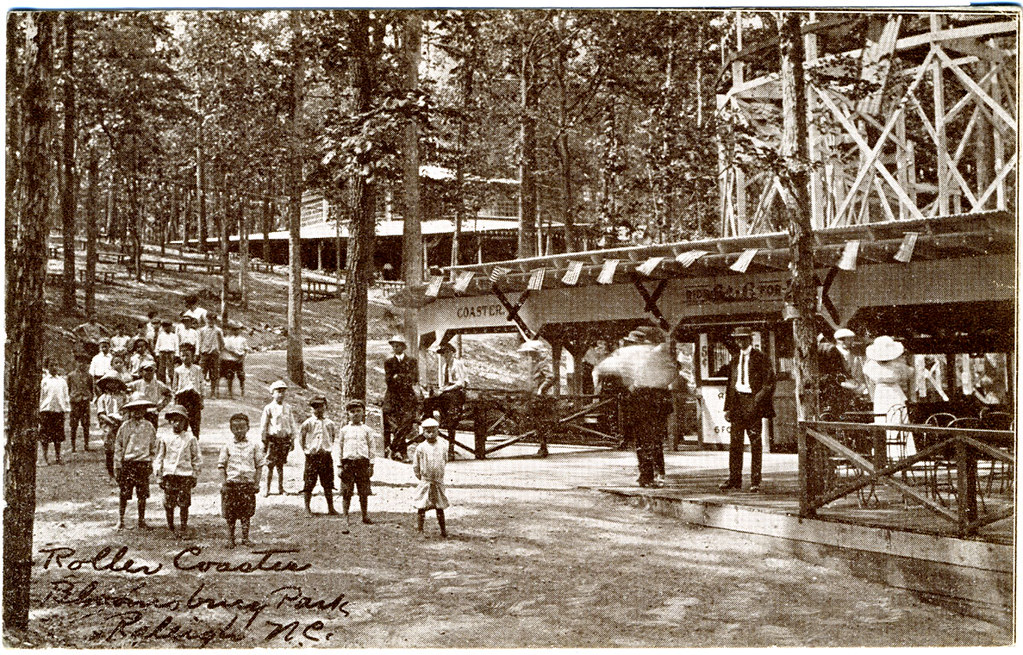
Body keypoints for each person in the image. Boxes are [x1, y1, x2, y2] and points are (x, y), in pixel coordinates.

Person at [720, 326, 776, 493]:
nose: (740, 341)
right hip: (737, 404)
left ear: (750, 339)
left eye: (743, 338)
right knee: (735, 443)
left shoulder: (761, 358)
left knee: (755, 443)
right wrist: (728, 407)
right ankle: (734, 479)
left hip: (752, 403)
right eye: (738, 339)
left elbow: (769, 383)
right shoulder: (735, 359)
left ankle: (755, 481)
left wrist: (756, 401)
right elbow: (730, 385)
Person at [863, 335, 915, 460]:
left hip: (881, 394)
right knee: (896, 419)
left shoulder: (871, 366)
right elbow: (910, 372)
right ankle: (901, 452)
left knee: (884, 420)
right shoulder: (898, 366)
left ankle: (886, 453)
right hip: (894, 393)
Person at [154, 404, 202, 537]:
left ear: (185, 422)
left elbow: (196, 458)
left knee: (184, 502)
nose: (177, 424)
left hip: (184, 474)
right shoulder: (164, 437)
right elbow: (159, 457)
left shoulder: (190, 439)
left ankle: (183, 526)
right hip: (169, 474)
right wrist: (159, 475)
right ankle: (170, 526)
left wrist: (195, 474)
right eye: (174, 420)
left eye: (180, 421)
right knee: (169, 502)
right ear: (170, 422)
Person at [218, 412, 265, 548]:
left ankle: (245, 538)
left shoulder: (254, 445)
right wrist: (224, 484)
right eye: (236, 427)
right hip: (232, 484)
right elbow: (221, 466)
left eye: (242, 427)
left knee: (246, 513)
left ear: (248, 428)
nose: (239, 430)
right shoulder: (227, 446)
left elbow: (259, 465)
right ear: (231, 429)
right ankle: (231, 538)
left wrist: (256, 483)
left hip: (247, 484)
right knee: (230, 514)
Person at [113, 397, 159, 530]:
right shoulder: (125, 426)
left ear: (144, 410)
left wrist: (151, 461)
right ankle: (120, 520)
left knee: (142, 494)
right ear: (130, 411)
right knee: (124, 493)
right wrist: (118, 465)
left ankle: (141, 520)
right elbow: (119, 446)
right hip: (128, 463)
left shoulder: (149, 426)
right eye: (134, 410)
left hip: (143, 463)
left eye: (140, 409)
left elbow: (153, 446)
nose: (137, 412)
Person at [336, 399, 375, 534]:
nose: (355, 414)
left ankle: (364, 515)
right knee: (347, 491)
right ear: (348, 414)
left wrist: (371, 464)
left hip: (362, 463)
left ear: (363, 413)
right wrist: (339, 465)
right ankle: (345, 517)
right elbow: (339, 448)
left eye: (358, 411)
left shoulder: (367, 430)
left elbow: (372, 448)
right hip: (348, 463)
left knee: (363, 490)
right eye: (352, 412)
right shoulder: (344, 430)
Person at [299, 396, 339, 516]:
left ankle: (331, 508)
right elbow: (302, 438)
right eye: (315, 407)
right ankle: (307, 508)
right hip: (312, 457)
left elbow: (332, 437)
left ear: (325, 407)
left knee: (328, 482)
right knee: (309, 482)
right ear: (311, 409)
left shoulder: (329, 423)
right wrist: (307, 450)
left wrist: (327, 448)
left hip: (325, 456)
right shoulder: (307, 423)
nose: (318, 410)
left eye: (321, 406)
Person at [426, 342, 466, 459]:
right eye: (443, 354)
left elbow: (460, 383)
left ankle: (450, 418)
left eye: (447, 353)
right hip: (447, 392)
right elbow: (443, 383)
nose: (445, 356)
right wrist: (441, 389)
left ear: (452, 353)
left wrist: (445, 389)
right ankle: (428, 420)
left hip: (457, 392)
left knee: (447, 400)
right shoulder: (445, 366)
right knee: (428, 401)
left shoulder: (457, 364)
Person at [383, 334, 419, 462]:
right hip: (393, 397)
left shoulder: (412, 361)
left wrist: (398, 377)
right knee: (395, 423)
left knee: (407, 422)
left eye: (397, 345)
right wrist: (402, 378)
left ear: (403, 347)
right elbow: (389, 380)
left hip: (407, 397)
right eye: (393, 345)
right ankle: (402, 453)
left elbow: (413, 379)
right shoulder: (389, 362)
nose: (395, 347)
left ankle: (393, 448)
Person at [519, 339, 557, 458]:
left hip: (539, 398)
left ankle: (543, 446)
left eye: (532, 353)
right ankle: (541, 444)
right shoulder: (532, 365)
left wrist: (541, 389)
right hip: (531, 395)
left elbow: (550, 378)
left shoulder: (542, 364)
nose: (530, 356)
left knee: (539, 422)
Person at [260, 380, 298, 496]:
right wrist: (263, 441)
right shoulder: (269, 408)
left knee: (280, 465)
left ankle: (281, 488)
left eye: (283, 392)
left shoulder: (288, 408)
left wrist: (292, 439)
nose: (281, 394)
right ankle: (267, 488)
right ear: (272, 393)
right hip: (273, 440)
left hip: (284, 440)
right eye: (278, 392)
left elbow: (291, 424)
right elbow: (264, 425)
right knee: (270, 464)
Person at [413, 418, 449, 537]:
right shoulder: (421, 448)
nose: (431, 433)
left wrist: (439, 474)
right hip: (426, 480)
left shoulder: (443, 445)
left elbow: (445, 460)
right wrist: (421, 477)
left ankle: (443, 530)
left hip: (438, 480)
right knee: (422, 505)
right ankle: (420, 529)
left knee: (439, 506)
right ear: (423, 432)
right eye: (427, 431)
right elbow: (416, 465)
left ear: (437, 430)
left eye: (433, 431)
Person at [96, 371, 128, 479]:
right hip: (108, 424)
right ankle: (111, 473)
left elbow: (127, 410)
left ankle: (121, 471)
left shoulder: (123, 397)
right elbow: (101, 413)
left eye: (115, 382)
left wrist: (123, 420)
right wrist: (110, 422)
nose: (112, 385)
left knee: (122, 447)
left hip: (121, 423)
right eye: (109, 382)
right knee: (109, 450)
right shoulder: (102, 398)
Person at [39, 361, 71, 465]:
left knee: (58, 435)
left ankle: (58, 456)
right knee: (45, 436)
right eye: (51, 365)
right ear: (47, 367)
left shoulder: (62, 381)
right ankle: (44, 457)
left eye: (56, 365)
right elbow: (41, 396)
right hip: (46, 410)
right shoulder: (44, 381)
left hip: (58, 411)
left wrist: (66, 409)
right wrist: (39, 410)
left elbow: (65, 396)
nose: (54, 367)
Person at [171, 343, 205, 439]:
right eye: (183, 355)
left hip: (194, 398)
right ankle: (182, 442)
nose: (185, 358)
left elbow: (202, 384)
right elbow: (174, 387)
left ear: (193, 356)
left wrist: (202, 400)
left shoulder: (197, 369)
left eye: (187, 355)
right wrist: (175, 402)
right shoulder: (178, 370)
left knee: (195, 423)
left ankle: (195, 442)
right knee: (182, 421)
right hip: (182, 398)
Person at [129, 361, 173, 429]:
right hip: (139, 411)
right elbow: (126, 390)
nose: (149, 372)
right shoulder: (136, 384)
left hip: (152, 412)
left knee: (152, 431)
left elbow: (169, 395)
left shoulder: (159, 385)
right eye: (146, 370)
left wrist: (160, 407)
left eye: (151, 370)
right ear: (141, 372)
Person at [67, 354, 94, 452]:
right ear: (76, 363)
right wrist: (71, 397)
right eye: (80, 362)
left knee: (86, 424)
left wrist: (89, 396)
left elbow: (91, 388)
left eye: (84, 362)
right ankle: (73, 446)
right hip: (75, 402)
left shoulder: (89, 376)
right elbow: (68, 388)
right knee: (73, 425)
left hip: (85, 401)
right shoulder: (71, 375)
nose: (82, 364)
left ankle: (86, 445)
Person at [197, 315, 224, 398]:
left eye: (212, 319)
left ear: (215, 320)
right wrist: (200, 352)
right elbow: (199, 342)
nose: (210, 321)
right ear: (206, 320)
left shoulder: (218, 331)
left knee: (214, 374)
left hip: (214, 355)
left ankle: (213, 393)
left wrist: (218, 350)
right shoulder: (201, 330)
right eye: (209, 319)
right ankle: (200, 393)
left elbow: (222, 343)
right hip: (204, 354)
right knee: (202, 374)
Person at [220, 322, 248, 398]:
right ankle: (230, 392)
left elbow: (246, 350)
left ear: (239, 330)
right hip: (231, 360)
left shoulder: (243, 339)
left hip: (239, 360)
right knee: (230, 376)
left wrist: (242, 358)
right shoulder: (228, 339)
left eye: (237, 329)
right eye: (234, 329)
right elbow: (226, 349)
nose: (235, 331)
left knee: (241, 376)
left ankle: (242, 392)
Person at [155, 319, 179, 384]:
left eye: (169, 326)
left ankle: (172, 384)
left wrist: (177, 355)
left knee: (171, 370)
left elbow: (176, 346)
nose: (167, 328)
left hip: (171, 353)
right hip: (162, 353)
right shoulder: (161, 335)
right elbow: (157, 345)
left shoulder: (174, 336)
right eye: (165, 327)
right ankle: (162, 384)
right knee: (161, 370)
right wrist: (157, 354)